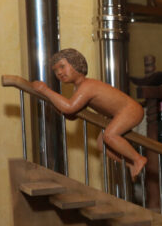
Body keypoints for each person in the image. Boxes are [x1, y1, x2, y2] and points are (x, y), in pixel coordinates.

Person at [32, 48, 147, 178]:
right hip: (116, 115)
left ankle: (138, 158)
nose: (59, 72)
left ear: (75, 64)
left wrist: (45, 90)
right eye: (55, 70)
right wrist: (53, 103)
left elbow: (69, 107)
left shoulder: (88, 85)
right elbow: (71, 115)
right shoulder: (78, 88)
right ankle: (130, 164)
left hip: (130, 110)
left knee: (109, 136)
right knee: (101, 144)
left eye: (62, 67)